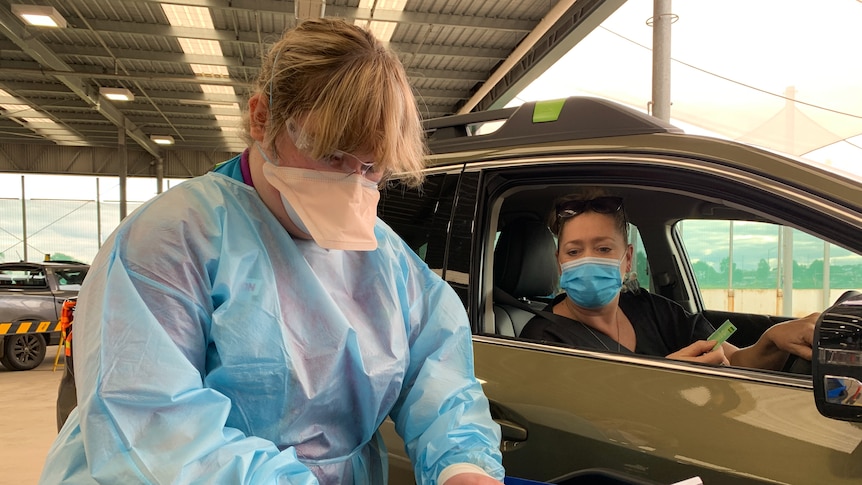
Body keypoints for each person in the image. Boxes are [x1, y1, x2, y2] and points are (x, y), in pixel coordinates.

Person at [40, 19, 504, 485]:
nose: (351, 184)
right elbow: (153, 429)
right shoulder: (170, 240)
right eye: (331, 155)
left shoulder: (388, 260)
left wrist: (462, 466)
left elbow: (440, 379)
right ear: (262, 118)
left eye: (371, 168)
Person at [519, 189, 818, 370]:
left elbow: (735, 363)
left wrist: (772, 340)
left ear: (627, 259)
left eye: (603, 248)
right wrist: (668, 379)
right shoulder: (542, 339)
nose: (588, 260)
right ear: (560, 263)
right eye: (574, 251)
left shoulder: (655, 311)